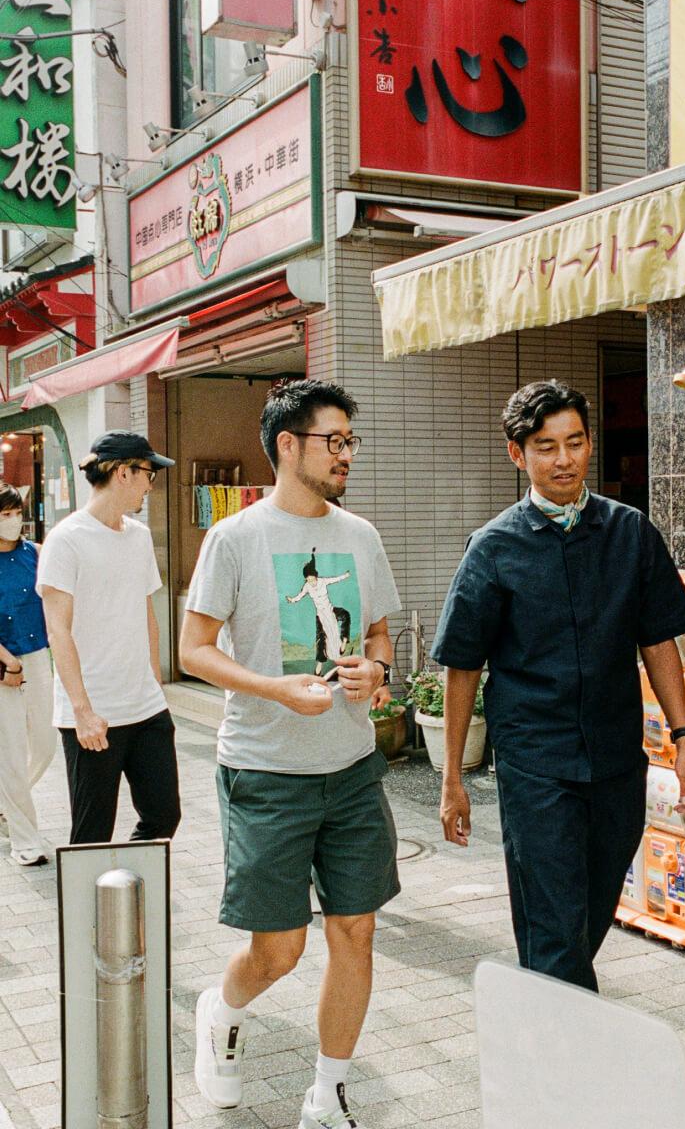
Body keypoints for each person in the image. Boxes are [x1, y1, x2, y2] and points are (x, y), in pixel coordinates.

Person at [432, 380, 685, 992]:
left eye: (575, 442)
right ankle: (567, 1064)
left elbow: (659, 639)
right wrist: (453, 778)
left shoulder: (629, 532)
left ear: (589, 444)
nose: (563, 459)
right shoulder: (493, 548)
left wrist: (684, 740)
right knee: (556, 934)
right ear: (517, 454)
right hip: (536, 767)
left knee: (587, 917)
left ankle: (544, 1022)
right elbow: (462, 666)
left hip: (616, 762)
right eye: (546, 446)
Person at [179, 380, 401, 1125]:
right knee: (278, 949)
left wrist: (378, 668)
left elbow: (378, 631)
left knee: (356, 928)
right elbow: (194, 651)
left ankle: (327, 1089)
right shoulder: (235, 539)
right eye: (333, 441)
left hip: (352, 767)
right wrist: (274, 689)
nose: (346, 455)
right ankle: (222, 1009)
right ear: (287, 446)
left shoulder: (360, 536)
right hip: (265, 772)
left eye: (349, 441)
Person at [37, 431, 181, 845]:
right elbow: (58, 631)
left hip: (146, 707)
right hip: (93, 714)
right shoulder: (66, 540)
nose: (151, 484)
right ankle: (90, 909)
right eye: (148, 474)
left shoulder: (137, 537)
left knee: (163, 816)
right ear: (123, 473)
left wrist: (155, 680)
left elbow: (145, 613)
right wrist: (82, 711)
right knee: (92, 834)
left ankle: (128, 896)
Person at [0, 483, 55, 865]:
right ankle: (25, 840)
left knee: (46, 743)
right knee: (11, 753)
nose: (13, 520)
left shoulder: (36, 553)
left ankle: (5, 802)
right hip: (5, 661)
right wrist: (7, 664)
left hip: (38, 658)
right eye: (4, 515)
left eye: (16, 512)